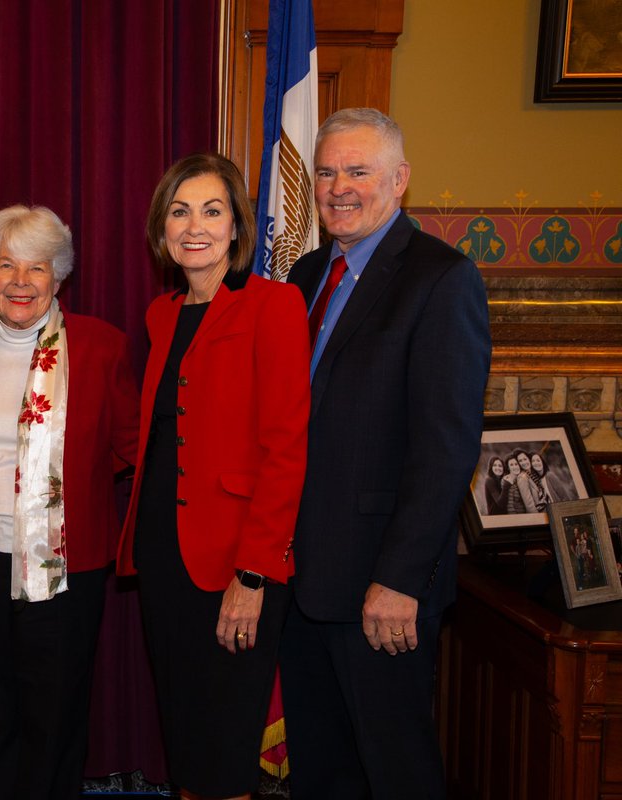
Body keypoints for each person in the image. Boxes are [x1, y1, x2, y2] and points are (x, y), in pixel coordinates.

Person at [279, 107, 491, 799]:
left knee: (395, 773)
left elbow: (445, 449)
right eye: (326, 172)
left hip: (381, 585)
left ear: (399, 180)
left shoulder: (441, 278)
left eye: (358, 171)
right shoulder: (307, 274)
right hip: (302, 579)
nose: (339, 187)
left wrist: (400, 579)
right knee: (321, 773)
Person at [115, 152, 310, 800]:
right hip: (164, 557)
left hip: (236, 563)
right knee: (187, 741)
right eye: (180, 212)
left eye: (211, 210)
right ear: (162, 228)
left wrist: (253, 575)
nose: (194, 226)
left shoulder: (274, 305)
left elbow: (285, 450)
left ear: (236, 227)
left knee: (226, 751)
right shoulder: (161, 314)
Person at [0, 205, 139, 800]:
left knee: (55, 715)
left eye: (37, 267)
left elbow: (130, 447)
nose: (21, 281)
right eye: (7, 265)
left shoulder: (100, 346)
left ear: (58, 277)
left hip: (65, 565)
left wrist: (63, 489)